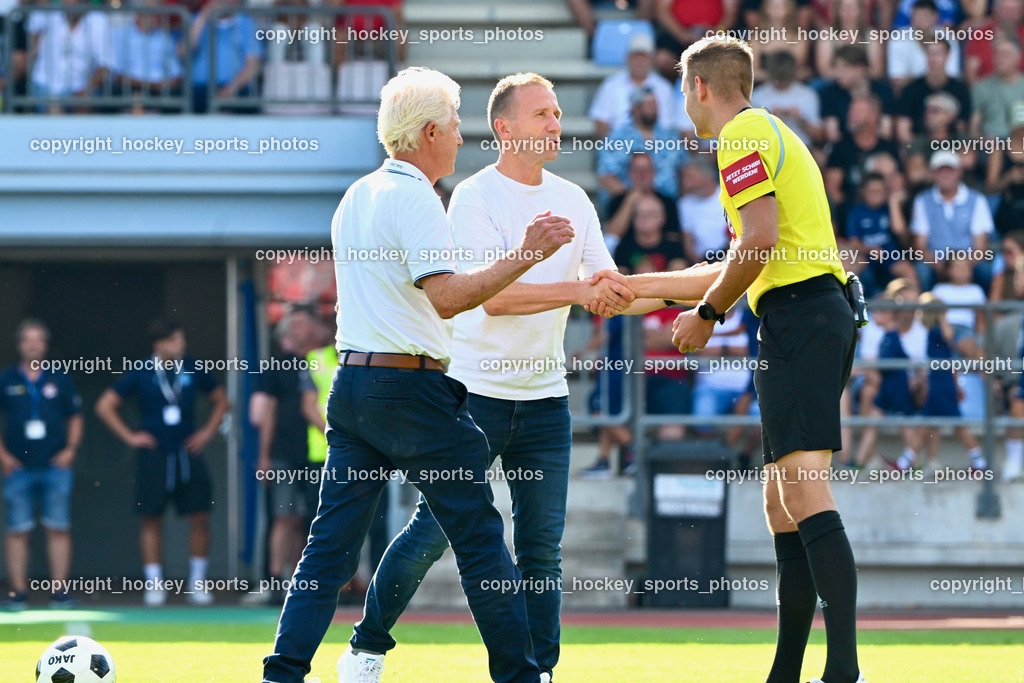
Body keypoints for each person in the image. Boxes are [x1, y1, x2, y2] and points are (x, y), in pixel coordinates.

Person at [260, 66, 580, 683]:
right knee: (482, 539)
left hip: (352, 388)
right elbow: (448, 297)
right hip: (412, 389)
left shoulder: (358, 193)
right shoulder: (419, 198)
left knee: (328, 549)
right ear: (430, 131)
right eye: (456, 127)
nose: (461, 138)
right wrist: (528, 254)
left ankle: (284, 673)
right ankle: (523, 675)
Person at [344, 72, 634, 683]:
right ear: (504, 128)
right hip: (477, 395)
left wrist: (698, 295)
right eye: (543, 115)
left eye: (558, 114)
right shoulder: (472, 197)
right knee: (432, 533)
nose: (556, 124)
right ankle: (368, 645)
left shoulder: (575, 200)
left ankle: (541, 671)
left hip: (546, 400)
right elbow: (493, 300)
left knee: (541, 552)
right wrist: (582, 291)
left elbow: (605, 285)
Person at [604, 36, 865, 683]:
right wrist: (632, 288)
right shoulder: (766, 131)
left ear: (698, 88)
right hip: (797, 318)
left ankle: (845, 670)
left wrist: (709, 315)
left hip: (802, 316)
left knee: (804, 487)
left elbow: (757, 244)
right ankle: (786, 672)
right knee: (781, 500)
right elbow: (739, 261)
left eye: (682, 90)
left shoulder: (740, 135)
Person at [95, 317, 230, 607]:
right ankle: (154, 584)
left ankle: (197, 582)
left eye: (181, 339)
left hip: (188, 453)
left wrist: (206, 433)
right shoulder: (142, 371)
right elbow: (105, 405)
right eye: (174, 340)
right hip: (154, 455)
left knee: (200, 516)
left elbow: (222, 399)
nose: (181, 345)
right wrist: (131, 437)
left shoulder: (193, 367)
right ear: (159, 344)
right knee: (151, 517)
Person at [0, 320, 83, 610]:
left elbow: (76, 415)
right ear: (19, 344)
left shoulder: (60, 379)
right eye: (27, 340)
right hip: (17, 466)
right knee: (17, 529)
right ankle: (18, 592)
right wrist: (2, 455)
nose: (33, 345)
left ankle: (59, 591)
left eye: (38, 340)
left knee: (58, 527)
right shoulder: (6, 379)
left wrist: (71, 449)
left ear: (45, 345)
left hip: (55, 465)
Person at [245, 308, 321, 606]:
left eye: (306, 323)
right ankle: (273, 581)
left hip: (318, 454)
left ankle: (302, 581)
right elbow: (264, 414)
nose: (301, 330)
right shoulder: (277, 365)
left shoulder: (323, 362)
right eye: (296, 324)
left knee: (308, 519)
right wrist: (264, 456)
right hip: (284, 454)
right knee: (283, 516)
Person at [917, 292, 988, 473]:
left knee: (954, 425)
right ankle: (930, 461)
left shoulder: (940, 331)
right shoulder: (931, 332)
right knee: (931, 424)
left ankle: (979, 462)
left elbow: (949, 342)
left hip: (943, 385)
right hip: (938, 383)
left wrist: (941, 315)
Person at [909, 150, 994, 291]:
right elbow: (920, 246)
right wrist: (942, 267)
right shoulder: (922, 200)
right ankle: (923, 310)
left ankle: (988, 311)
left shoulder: (977, 199)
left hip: (968, 262)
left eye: (950, 170)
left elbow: (981, 247)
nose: (946, 175)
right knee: (921, 269)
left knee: (986, 269)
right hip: (936, 262)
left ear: (959, 171)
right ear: (933, 173)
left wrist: (962, 267)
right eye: (940, 171)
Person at [597, 86, 687, 204]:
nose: (654, 109)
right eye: (649, 105)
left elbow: (684, 169)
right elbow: (606, 177)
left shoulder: (671, 137)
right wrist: (636, 203)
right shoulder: (617, 139)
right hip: (631, 207)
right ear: (635, 109)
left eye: (656, 105)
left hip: (669, 204)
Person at [588, 32, 675, 138]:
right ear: (627, 58)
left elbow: (667, 126)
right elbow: (600, 121)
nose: (639, 62)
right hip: (618, 146)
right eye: (635, 57)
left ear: (652, 60)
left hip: (655, 147)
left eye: (644, 57)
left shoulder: (664, 88)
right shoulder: (611, 85)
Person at [187, 0, 263, 113]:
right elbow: (183, 51)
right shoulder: (194, 20)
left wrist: (229, 90)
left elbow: (253, 65)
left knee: (248, 107)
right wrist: (203, 17)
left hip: (236, 87)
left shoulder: (246, 23)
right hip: (199, 87)